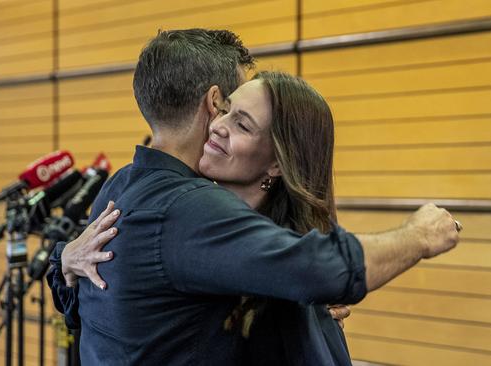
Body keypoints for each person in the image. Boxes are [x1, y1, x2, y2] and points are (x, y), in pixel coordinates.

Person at [48, 29, 460, 365]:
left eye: (241, 122)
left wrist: (290, 301)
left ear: (278, 162)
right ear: (212, 103)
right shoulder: (192, 211)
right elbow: (320, 270)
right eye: (226, 110)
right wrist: (418, 234)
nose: (221, 126)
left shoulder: (119, 185)